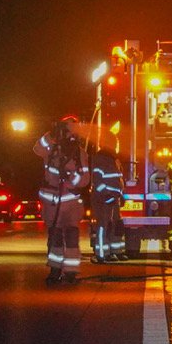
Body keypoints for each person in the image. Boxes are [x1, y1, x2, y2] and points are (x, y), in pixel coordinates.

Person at [33, 119, 90, 285]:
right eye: (65, 131)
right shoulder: (50, 149)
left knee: (72, 237)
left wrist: (71, 178)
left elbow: (85, 179)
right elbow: (37, 148)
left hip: (71, 203)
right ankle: (55, 269)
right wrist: (51, 134)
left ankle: (71, 272)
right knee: (55, 237)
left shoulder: (80, 153)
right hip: (52, 201)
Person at [89, 144, 126, 263]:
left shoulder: (114, 160)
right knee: (103, 226)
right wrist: (106, 194)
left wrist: (121, 194)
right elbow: (97, 181)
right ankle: (101, 254)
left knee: (116, 225)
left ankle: (115, 252)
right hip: (103, 199)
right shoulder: (100, 160)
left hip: (114, 198)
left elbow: (119, 179)